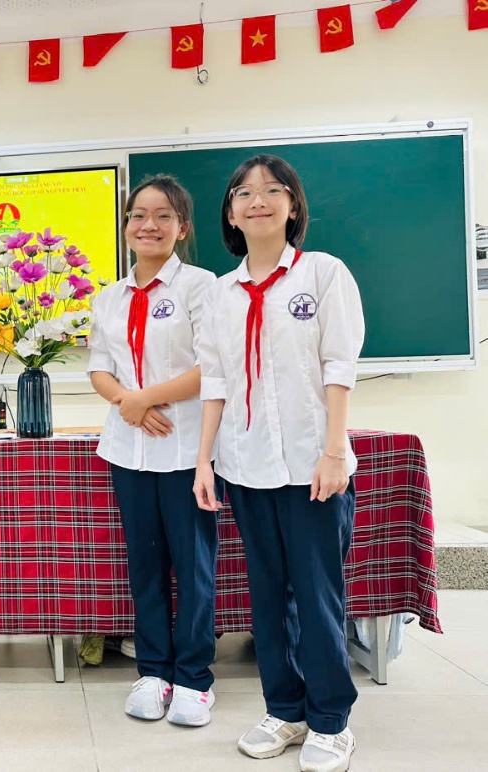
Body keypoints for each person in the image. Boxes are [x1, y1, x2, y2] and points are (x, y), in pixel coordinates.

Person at [193, 155, 364, 772]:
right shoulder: (220, 293)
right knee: (267, 597)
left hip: (312, 466)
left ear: (292, 206)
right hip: (245, 466)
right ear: (231, 214)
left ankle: (331, 720)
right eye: (243, 193)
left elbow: (339, 366)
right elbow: (216, 380)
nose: (257, 200)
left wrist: (334, 451)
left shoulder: (322, 274)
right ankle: (285, 709)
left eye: (271, 190)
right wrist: (205, 461)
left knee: (317, 596)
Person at [87, 174, 218, 727]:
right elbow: (99, 368)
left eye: (164, 215)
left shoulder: (201, 286)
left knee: (193, 566)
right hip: (128, 450)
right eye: (139, 215)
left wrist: (144, 398)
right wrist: (129, 403)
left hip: (187, 449)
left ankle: (194, 678)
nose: (150, 225)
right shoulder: (109, 297)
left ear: (182, 227)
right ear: (126, 227)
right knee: (144, 565)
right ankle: (153, 671)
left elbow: (212, 366)